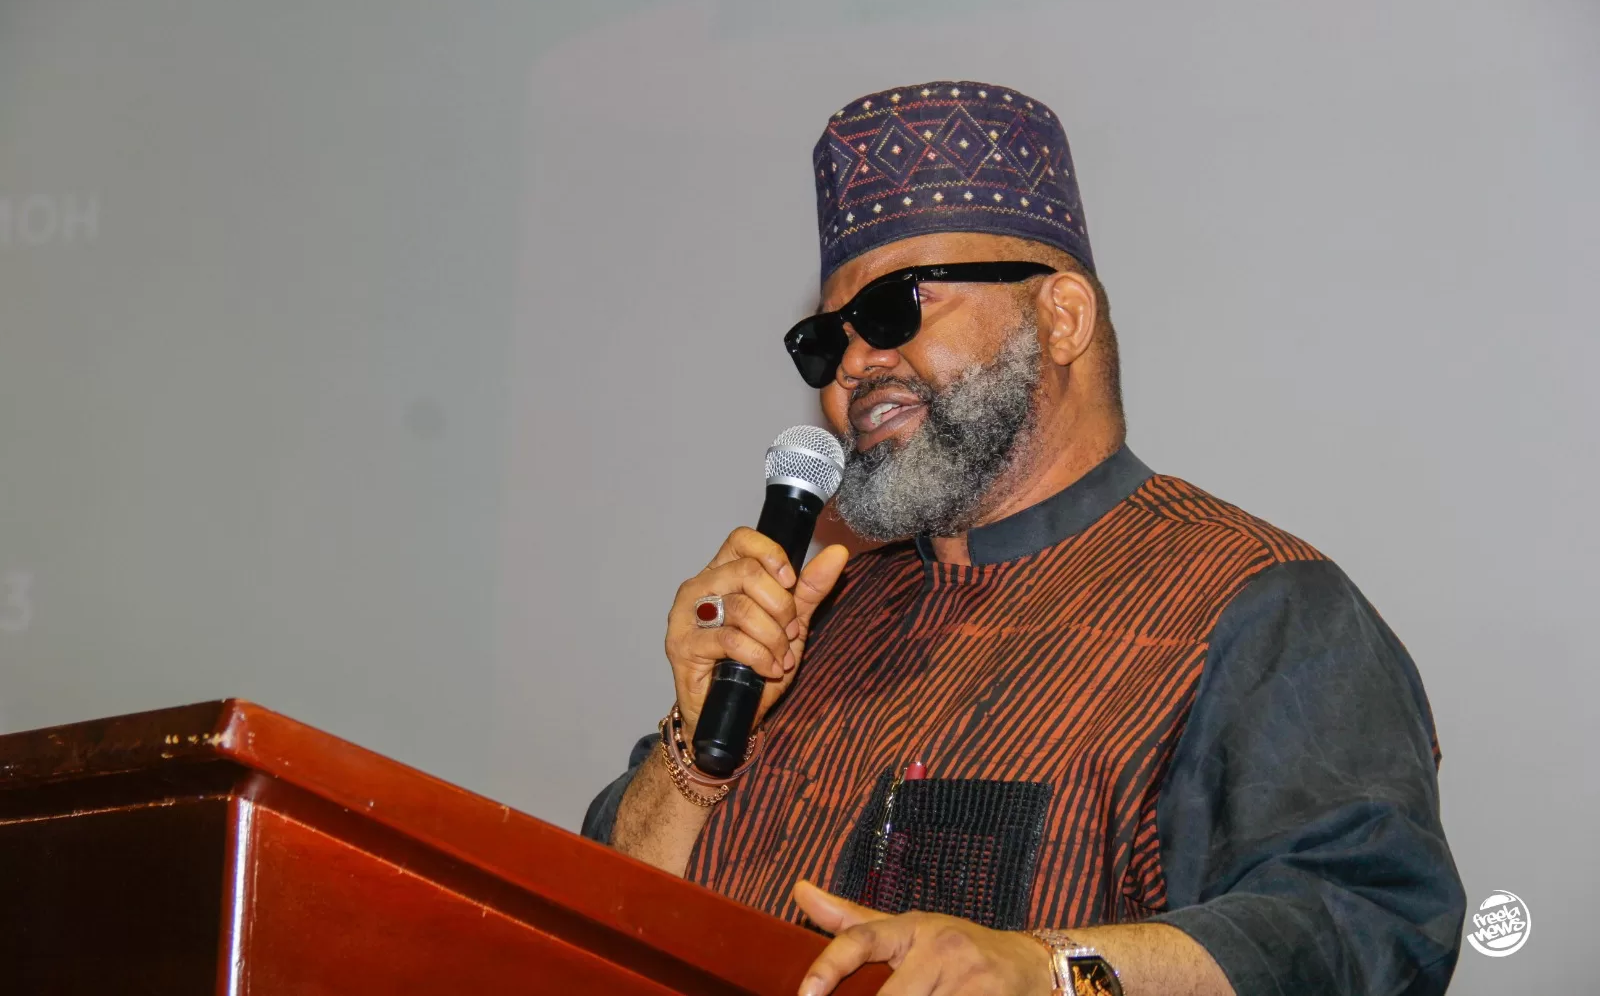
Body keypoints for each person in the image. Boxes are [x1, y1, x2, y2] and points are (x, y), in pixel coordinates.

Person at [582, 80, 1464, 996]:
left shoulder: (1260, 606)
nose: (851, 366)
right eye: (825, 340)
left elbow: (1364, 930)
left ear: (1062, 317)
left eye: (892, 310)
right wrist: (696, 751)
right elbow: (594, 922)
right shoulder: (816, 615)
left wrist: (1051, 970)